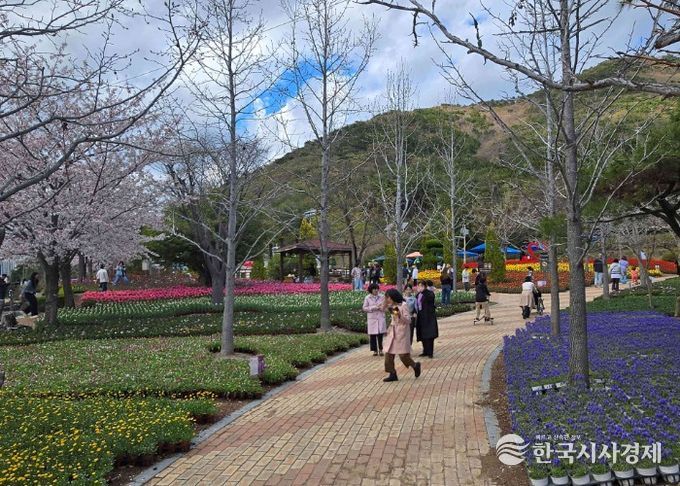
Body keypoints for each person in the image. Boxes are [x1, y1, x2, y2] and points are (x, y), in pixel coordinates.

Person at [382, 288, 421, 382]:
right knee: (388, 354)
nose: (388, 299)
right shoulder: (392, 306)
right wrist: (389, 329)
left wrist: (399, 314)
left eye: (389, 297)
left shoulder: (403, 305)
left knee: (403, 355)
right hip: (393, 332)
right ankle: (392, 373)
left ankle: (415, 365)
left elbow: (408, 320)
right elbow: (392, 318)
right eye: (387, 298)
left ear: (393, 297)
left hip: (402, 332)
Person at [416, 280, 439, 358]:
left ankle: (430, 352)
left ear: (425, 286)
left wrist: (425, 291)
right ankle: (425, 351)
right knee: (422, 334)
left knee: (429, 335)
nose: (420, 287)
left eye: (421, 286)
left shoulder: (429, 293)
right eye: (419, 286)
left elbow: (431, 298)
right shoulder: (418, 294)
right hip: (421, 316)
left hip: (429, 317)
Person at [362, 283, 386, 356]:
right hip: (372, 318)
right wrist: (374, 307)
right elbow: (364, 308)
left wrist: (381, 307)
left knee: (380, 335)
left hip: (380, 317)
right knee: (373, 335)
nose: (376, 290)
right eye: (374, 289)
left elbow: (385, 306)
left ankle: (381, 349)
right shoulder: (367, 298)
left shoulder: (382, 296)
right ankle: (375, 350)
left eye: (377, 289)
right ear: (371, 290)